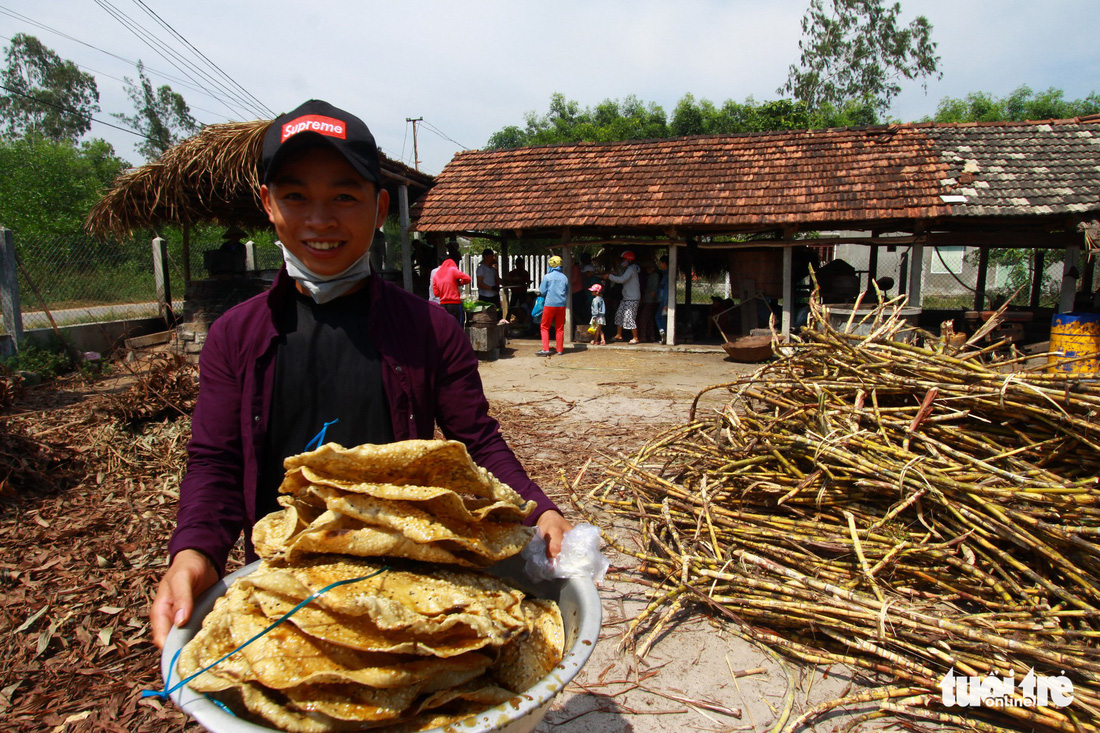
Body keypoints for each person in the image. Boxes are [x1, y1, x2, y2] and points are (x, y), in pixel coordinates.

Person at [149, 100, 573, 649]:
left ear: (377, 209)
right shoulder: (236, 337)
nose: (320, 220)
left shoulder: (428, 330)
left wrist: (540, 509)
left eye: (344, 197)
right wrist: (193, 554)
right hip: (285, 591)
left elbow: (479, 442)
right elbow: (216, 463)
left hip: (401, 588)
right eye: (295, 196)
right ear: (268, 206)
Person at [604, 250, 642, 343]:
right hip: (627, 298)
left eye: (623, 259)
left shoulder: (631, 269)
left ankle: (635, 338)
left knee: (629, 317)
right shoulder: (629, 269)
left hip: (632, 298)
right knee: (619, 315)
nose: (621, 261)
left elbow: (622, 279)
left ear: (628, 260)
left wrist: (609, 277)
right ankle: (619, 335)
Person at [536, 255, 570, 357]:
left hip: (549, 305)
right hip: (561, 305)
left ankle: (545, 349)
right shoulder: (564, 277)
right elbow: (567, 291)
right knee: (559, 328)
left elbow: (542, 291)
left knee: (544, 327)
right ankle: (560, 350)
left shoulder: (547, 277)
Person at [432, 257, 471, 327]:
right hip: (454, 304)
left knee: (447, 327)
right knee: (458, 327)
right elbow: (468, 278)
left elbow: (436, 293)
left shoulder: (436, 274)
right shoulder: (452, 270)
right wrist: (460, 283)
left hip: (443, 305)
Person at [638, 261, 660, 342]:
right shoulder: (649, 276)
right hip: (648, 300)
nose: (647, 269)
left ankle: (644, 336)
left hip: (650, 300)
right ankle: (651, 336)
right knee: (650, 319)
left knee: (643, 318)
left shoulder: (654, 276)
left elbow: (652, 289)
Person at [655, 254, 669, 342]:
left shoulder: (668, 275)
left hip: (664, 301)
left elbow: (667, 289)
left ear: (664, 263)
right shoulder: (665, 274)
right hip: (663, 300)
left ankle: (662, 331)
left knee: (658, 317)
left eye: (660, 263)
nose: (660, 265)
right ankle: (664, 335)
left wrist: (667, 303)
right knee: (663, 317)